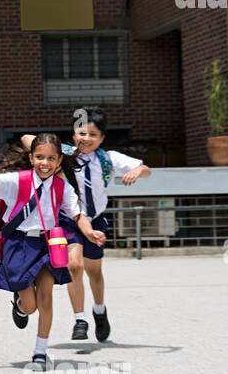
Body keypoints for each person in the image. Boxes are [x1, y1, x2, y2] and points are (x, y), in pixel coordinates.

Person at [0, 133, 105, 371]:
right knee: (30, 306)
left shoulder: (62, 186)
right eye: (39, 157)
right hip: (18, 245)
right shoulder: (17, 181)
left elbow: (77, 214)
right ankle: (19, 305)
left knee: (46, 298)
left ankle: (40, 352)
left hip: (47, 245)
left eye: (50, 158)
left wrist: (89, 232)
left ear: (59, 162)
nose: (44, 163)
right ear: (30, 158)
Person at [22, 108, 150, 340]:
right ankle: (79, 319)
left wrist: (137, 171)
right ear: (73, 135)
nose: (86, 139)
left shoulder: (108, 159)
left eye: (93, 134)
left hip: (96, 219)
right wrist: (51, 146)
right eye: (82, 133)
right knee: (74, 266)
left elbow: (145, 169)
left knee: (94, 272)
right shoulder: (65, 154)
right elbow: (27, 139)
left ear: (101, 138)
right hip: (69, 220)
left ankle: (99, 311)